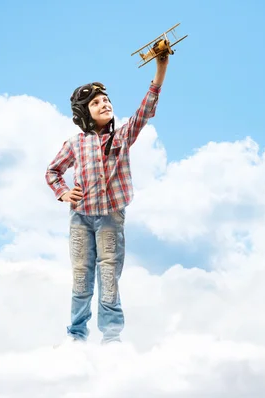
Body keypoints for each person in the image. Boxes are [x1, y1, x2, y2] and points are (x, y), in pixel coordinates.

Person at [45, 54, 170, 344]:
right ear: (84, 113)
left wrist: (160, 69)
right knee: (81, 278)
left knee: (109, 277)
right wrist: (63, 192)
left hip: (111, 218)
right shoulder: (76, 143)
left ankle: (112, 337)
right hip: (81, 219)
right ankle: (76, 335)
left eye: (107, 100)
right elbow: (53, 171)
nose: (105, 104)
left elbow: (146, 109)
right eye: (96, 103)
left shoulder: (123, 135)